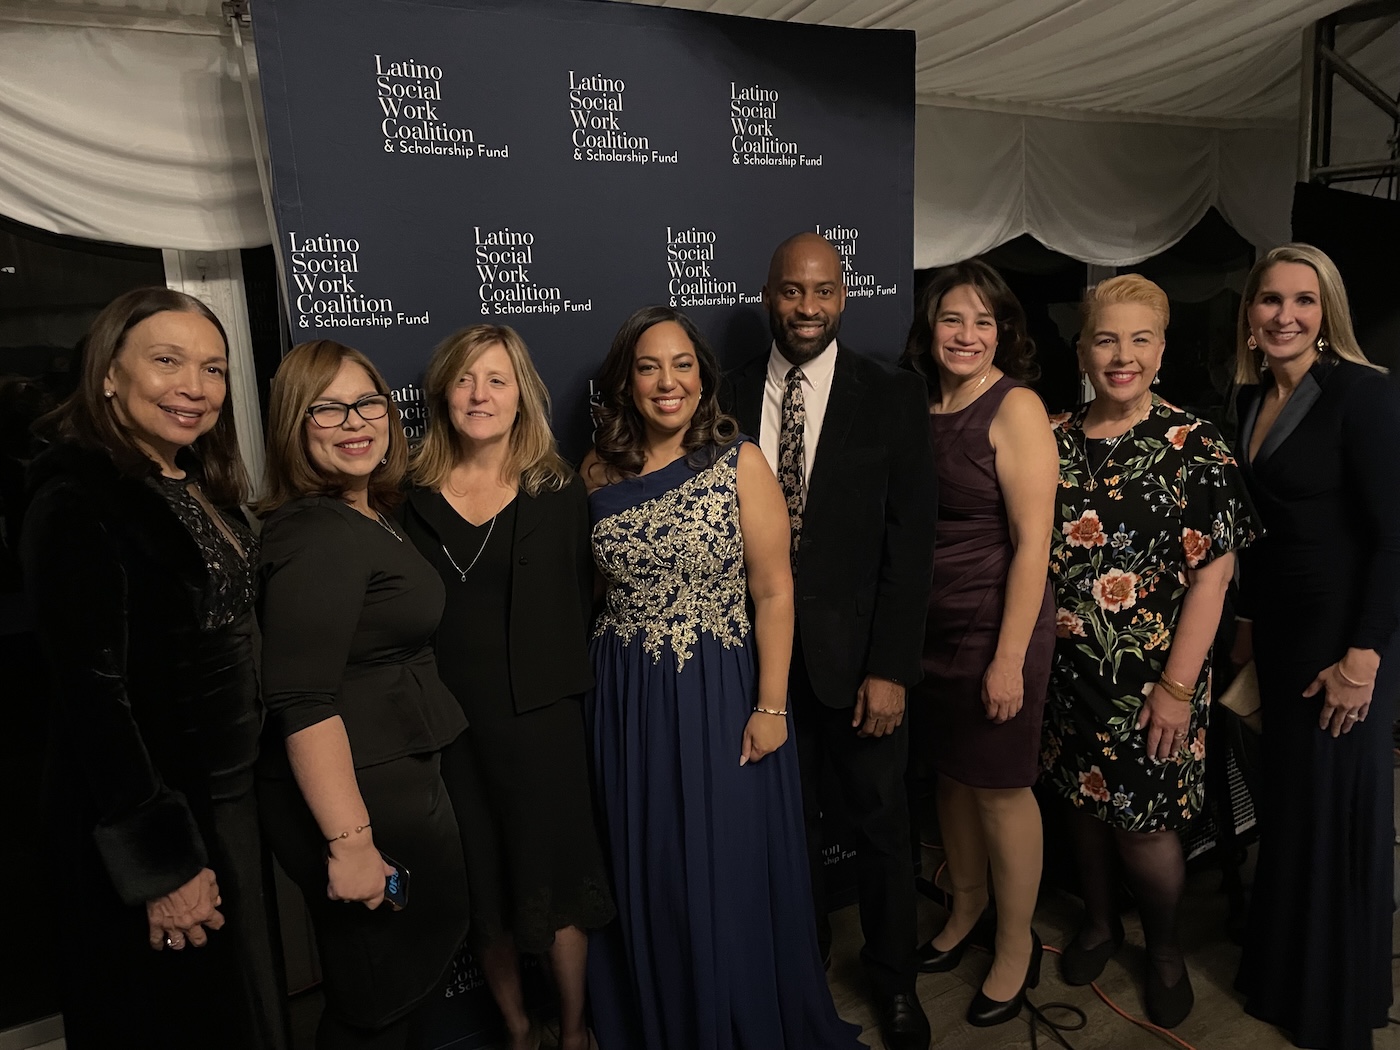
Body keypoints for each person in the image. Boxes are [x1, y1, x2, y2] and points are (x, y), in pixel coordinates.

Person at [581, 305, 861, 1050]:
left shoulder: (739, 461)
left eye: (681, 364)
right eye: (648, 366)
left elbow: (774, 591)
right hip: (626, 696)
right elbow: (597, 590)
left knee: (721, 864)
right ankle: (664, 1020)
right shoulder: (597, 470)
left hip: (716, 689)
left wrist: (771, 706)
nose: (666, 381)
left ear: (703, 378)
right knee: (654, 867)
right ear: (626, 381)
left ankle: (732, 1021)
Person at [20, 287, 287, 1048]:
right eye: (167, 362)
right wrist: (162, 868)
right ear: (109, 372)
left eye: (212, 368)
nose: (194, 388)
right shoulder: (77, 500)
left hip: (226, 798)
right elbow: (91, 696)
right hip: (158, 815)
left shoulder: (193, 481)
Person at [727, 233, 937, 1050]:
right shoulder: (729, 392)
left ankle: (896, 986)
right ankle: (800, 976)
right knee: (788, 835)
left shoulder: (893, 394)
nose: (806, 308)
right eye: (790, 291)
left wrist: (891, 670)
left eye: (821, 292)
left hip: (861, 670)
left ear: (843, 297)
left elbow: (910, 544)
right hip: (763, 669)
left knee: (884, 829)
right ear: (768, 295)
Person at [1041, 274, 1256, 1028]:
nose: (1121, 355)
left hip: (1156, 679)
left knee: (1147, 824)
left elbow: (1215, 574)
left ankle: (1163, 948)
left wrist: (1174, 686)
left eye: (1139, 340)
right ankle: (1100, 922)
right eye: (1106, 339)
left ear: (1162, 351)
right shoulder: (1053, 438)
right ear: (1082, 349)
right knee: (1080, 805)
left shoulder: (1196, 445)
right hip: (1067, 674)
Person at [399, 325, 615, 1050]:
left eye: (495, 379)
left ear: (521, 393)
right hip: (452, 730)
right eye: (464, 380)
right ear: (442, 395)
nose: (479, 395)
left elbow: (592, 595)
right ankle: (520, 1030)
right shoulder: (408, 501)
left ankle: (576, 1030)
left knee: (554, 885)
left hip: (544, 724)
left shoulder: (560, 492)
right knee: (484, 891)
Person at [256, 340, 472, 1049]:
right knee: (375, 1001)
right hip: (362, 800)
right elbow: (303, 699)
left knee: (400, 988)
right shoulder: (316, 534)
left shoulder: (366, 513)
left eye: (368, 402)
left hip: (396, 777)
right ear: (295, 422)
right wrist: (351, 842)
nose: (356, 422)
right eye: (329, 408)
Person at [1232, 243, 1400, 1050]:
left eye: (1302, 300)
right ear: (1251, 314)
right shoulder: (1250, 398)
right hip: (1285, 640)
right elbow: (1263, 535)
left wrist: (1363, 658)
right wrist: (1248, 625)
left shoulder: (1365, 396)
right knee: (1292, 815)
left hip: (1347, 646)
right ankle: (1281, 978)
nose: (1284, 316)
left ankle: (1333, 1006)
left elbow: (1396, 539)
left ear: (1327, 310)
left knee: (1336, 820)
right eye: (1270, 300)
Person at [900, 260, 1058, 1026]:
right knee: (952, 780)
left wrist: (1006, 658)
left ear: (1005, 332)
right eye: (953, 319)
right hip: (928, 625)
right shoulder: (922, 403)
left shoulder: (1016, 405)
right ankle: (963, 911)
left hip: (997, 624)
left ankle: (1016, 945)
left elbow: (1033, 545)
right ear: (930, 329)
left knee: (999, 788)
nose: (967, 335)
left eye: (983, 321)